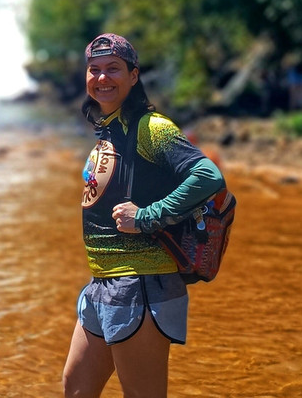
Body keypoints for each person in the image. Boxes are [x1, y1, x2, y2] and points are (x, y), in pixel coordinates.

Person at [62, 33, 225, 398]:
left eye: (113, 69)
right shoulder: (110, 129)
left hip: (142, 284)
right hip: (103, 282)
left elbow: (208, 176)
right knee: (76, 389)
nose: (102, 78)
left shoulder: (151, 128)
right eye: (94, 70)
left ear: (134, 75)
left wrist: (147, 216)